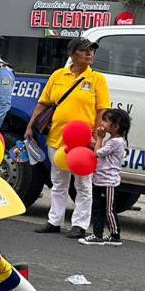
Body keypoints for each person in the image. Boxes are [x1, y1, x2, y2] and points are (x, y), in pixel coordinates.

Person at [25, 37, 111, 238]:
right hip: (57, 138)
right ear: (72, 54)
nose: (90, 53)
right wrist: (30, 126)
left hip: (83, 142)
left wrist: (96, 136)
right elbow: (43, 103)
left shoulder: (97, 79)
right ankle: (54, 221)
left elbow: (102, 110)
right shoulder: (58, 75)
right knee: (58, 182)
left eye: (92, 50)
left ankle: (80, 225)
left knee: (83, 184)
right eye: (84, 50)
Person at [81, 108, 130, 246]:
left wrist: (100, 138)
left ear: (116, 126)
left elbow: (97, 153)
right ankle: (98, 234)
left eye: (105, 121)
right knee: (98, 208)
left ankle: (115, 236)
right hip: (100, 179)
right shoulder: (112, 140)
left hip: (108, 182)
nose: (102, 123)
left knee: (108, 210)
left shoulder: (116, 142)